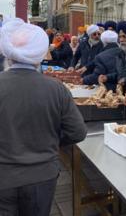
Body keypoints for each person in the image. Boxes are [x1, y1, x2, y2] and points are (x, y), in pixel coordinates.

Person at [0, 18, 87, 216]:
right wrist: (51, 139)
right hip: (41, 175)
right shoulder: (56, 89)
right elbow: (78, 132)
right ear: (39, 56)